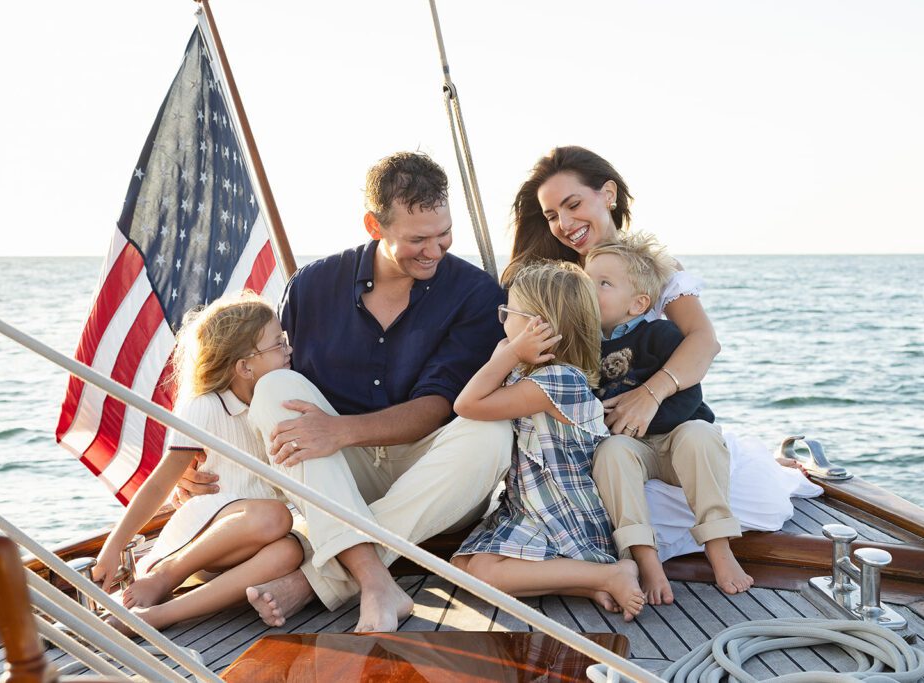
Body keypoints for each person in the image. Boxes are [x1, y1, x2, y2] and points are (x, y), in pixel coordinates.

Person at [507, 145, 821, 601]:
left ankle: (712, 543)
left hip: (670, 424)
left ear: (608, 194)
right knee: (610, 478)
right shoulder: (556, 281)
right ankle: (639, 560)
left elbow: (703, 341)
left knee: (739, 480)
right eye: (552, 214)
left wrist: (650, 393)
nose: (564, 223)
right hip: (606, 442)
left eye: (573, 204)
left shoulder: (654, 273)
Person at [219, 151, 512, 633]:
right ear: (374, 225)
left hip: (430, 469)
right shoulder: (312, 286)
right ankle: (376, 581)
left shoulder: (476, 293)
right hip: (338, 474)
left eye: (444, 235)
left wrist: (339, 431)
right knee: (275, 388)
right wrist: (198, 453)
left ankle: (317, 582)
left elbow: (438, 407)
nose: (435, 251)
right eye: (417, 239)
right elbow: (253, 373)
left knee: (493, 434)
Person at [92, 292, 303, 631]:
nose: (289, 350)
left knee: (289, 551)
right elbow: (162, 481)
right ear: (245, 365)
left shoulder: (280, 400)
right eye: (278, 344)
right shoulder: (205, 405)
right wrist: (114, 546)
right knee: (274, 516)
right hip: (207, 534)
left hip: (254, 542)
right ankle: (164, 576)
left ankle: (161, 616)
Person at [451, 261, 646, 622]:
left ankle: (609, 573)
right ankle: (589, 583)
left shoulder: (558, 381)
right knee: (464, 565)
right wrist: (512, 355)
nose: (502, 319)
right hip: (533, 507)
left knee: (483, 572)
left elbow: (467, 405)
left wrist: (509, 353)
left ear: (536, 328)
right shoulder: (539, 377)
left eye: (507, 311)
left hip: (564, 513)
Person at [584, 234, 752, 602]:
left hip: (677, 440)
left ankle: (718, 545)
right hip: (632, 447)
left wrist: (644, 420)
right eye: (586, 281)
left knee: (700, 434)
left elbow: (690, 395)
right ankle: (645, 558)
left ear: (639, 303)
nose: (589, 289)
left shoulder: (660, 333)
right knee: (611, 453)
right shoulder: (586, 346)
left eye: (604, 283)